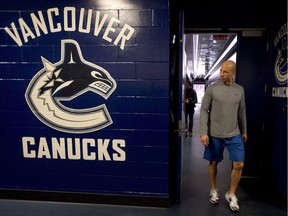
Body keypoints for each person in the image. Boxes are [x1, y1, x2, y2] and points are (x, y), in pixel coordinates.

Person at [199, 60, 247, 212]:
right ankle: (214, 189)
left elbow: (241, 112)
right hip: (215, 134)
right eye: (221, 70)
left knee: (239, 164)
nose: (221, 74)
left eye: (225, 71)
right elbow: (204, 111)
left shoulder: (240, 90)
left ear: (233, 73)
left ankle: (231, 193)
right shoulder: (212, 89)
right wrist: (203, 133)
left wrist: (244, 130)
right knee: (213, 162)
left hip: (234, 134)